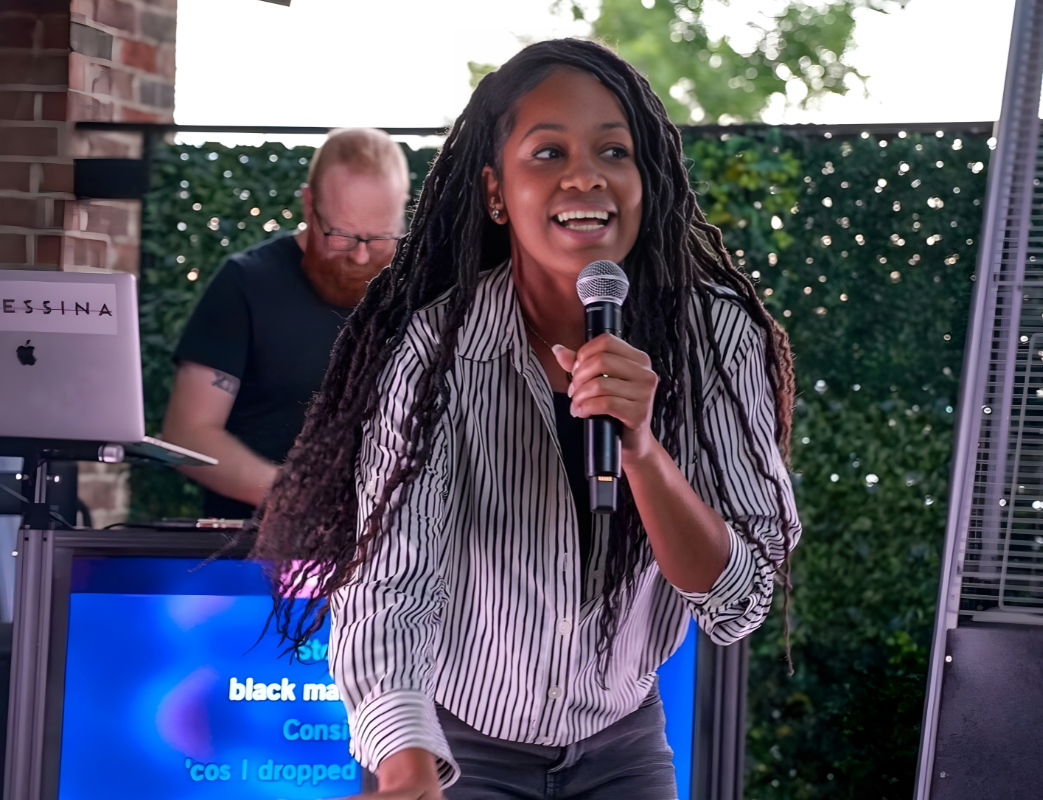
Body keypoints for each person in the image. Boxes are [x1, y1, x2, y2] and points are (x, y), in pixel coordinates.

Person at [255, 39, 800, 800]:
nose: (586, 174)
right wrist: (407, 763)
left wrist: (642, 449)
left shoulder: (713, 340)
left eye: (615, 149)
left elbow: (740, 599)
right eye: (548, 152)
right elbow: (389, 582)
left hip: (621, 743)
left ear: (646, 182)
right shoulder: (437, 353)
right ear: (496, 193)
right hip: (457, 738)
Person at [161, 129, 410, 519]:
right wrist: (299, 498)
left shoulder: (422, 292)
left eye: (379, 237)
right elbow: (187, 435)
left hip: (393, 558)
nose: (361, 257)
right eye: (342, 235)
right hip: (253, 552)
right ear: (310, 205)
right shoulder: (246, 284)